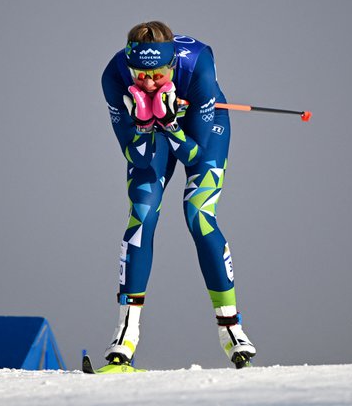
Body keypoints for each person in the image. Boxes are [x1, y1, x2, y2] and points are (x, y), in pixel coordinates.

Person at [99, 21, 256, 370]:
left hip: (202, 128)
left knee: (198, 215)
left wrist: (170, 123)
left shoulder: (199, 64)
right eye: (140, 75)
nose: (149, 83)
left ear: (171, 65)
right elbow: (137, 158)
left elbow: (196, 156)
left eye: (157, 74)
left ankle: (231, 329)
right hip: (152, 131)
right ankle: (125, 337)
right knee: (142, 214)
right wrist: (142, 124)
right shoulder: (113, 75)